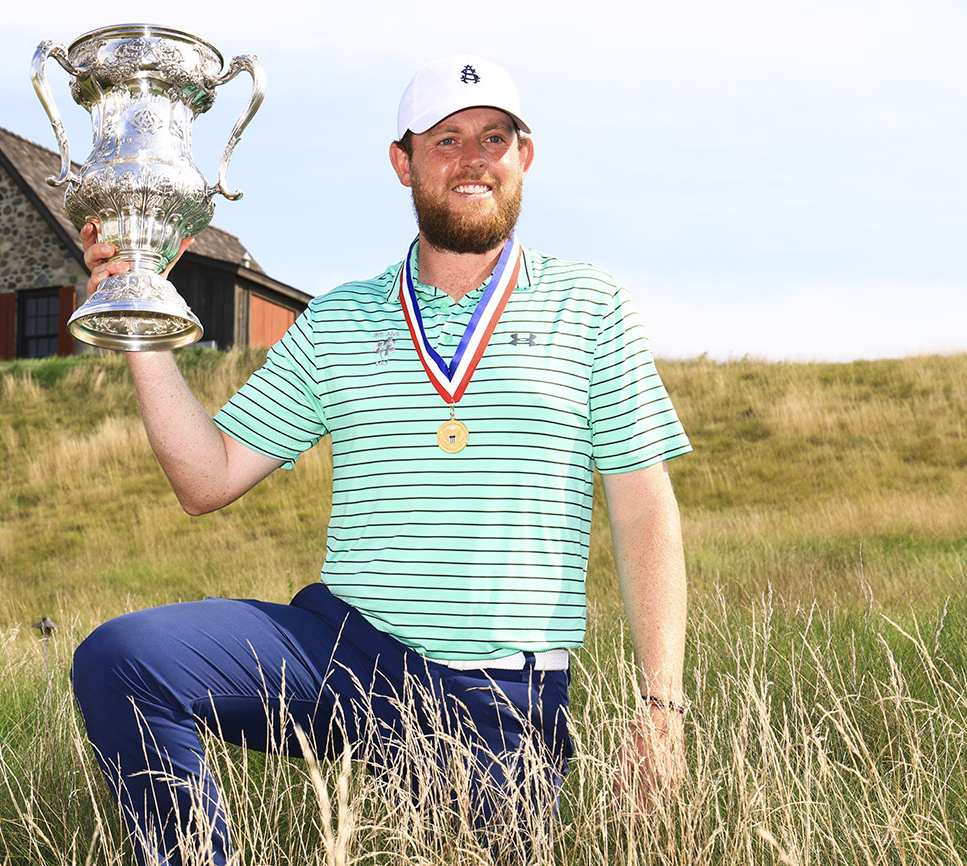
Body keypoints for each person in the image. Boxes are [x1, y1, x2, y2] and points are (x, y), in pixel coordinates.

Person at [71, 54, 691, 865]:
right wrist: (141, 307)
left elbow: (644, 508)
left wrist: (661, 706)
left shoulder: (590, 305)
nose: (473, 158)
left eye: (495, 138)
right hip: (347, 651)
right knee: (123, 660)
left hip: (502, 695)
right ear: (404, 162)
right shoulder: (339, 320)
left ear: (524, 158)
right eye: (446, 140)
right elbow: (206, 477)